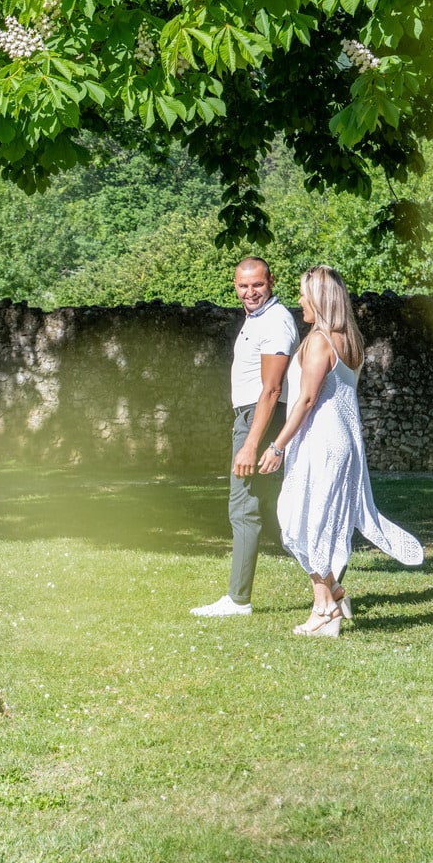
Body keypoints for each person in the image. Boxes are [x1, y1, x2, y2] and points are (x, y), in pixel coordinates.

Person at [259, 266, 422, 637]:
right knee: (307, 522)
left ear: (319, 298)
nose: (299, 300)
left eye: (303, 293)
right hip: (341, 442)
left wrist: (277, 445)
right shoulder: (350, 341)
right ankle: (331, 594)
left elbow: (307, 399)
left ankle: (324, 607)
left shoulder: (319, 342)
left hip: (323, 442)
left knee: (299, 522)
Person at [191, 257, 299, 617]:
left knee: (244, 508)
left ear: (271, 281)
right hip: (250, 415)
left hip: (259, 416)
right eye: (243, 286)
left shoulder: (276, 321)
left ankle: (238, 600)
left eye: (257, 285)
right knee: (267, 511)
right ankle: (331, 589)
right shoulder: (258, 318)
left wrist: (252, 443)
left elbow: (271, 389)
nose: (250, 292)